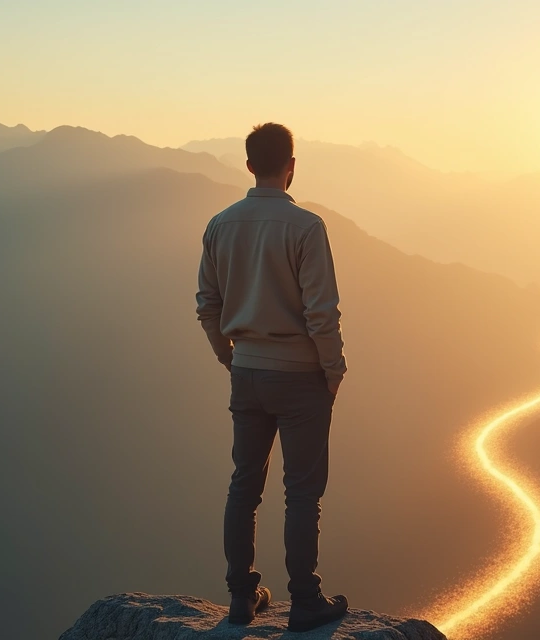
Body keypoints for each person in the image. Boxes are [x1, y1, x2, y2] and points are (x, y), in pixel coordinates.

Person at [195, 122, 350, 631]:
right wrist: (333, 370)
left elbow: (208, 304)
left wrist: (229, 356)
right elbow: (321, 313)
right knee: (301, 494)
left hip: (247, 372)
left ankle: (241, 597)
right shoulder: (306, 227)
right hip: (301, 377)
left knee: (244, 485)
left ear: (248, 165)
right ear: (292, 166)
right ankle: (305, 601)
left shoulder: (219, 225)